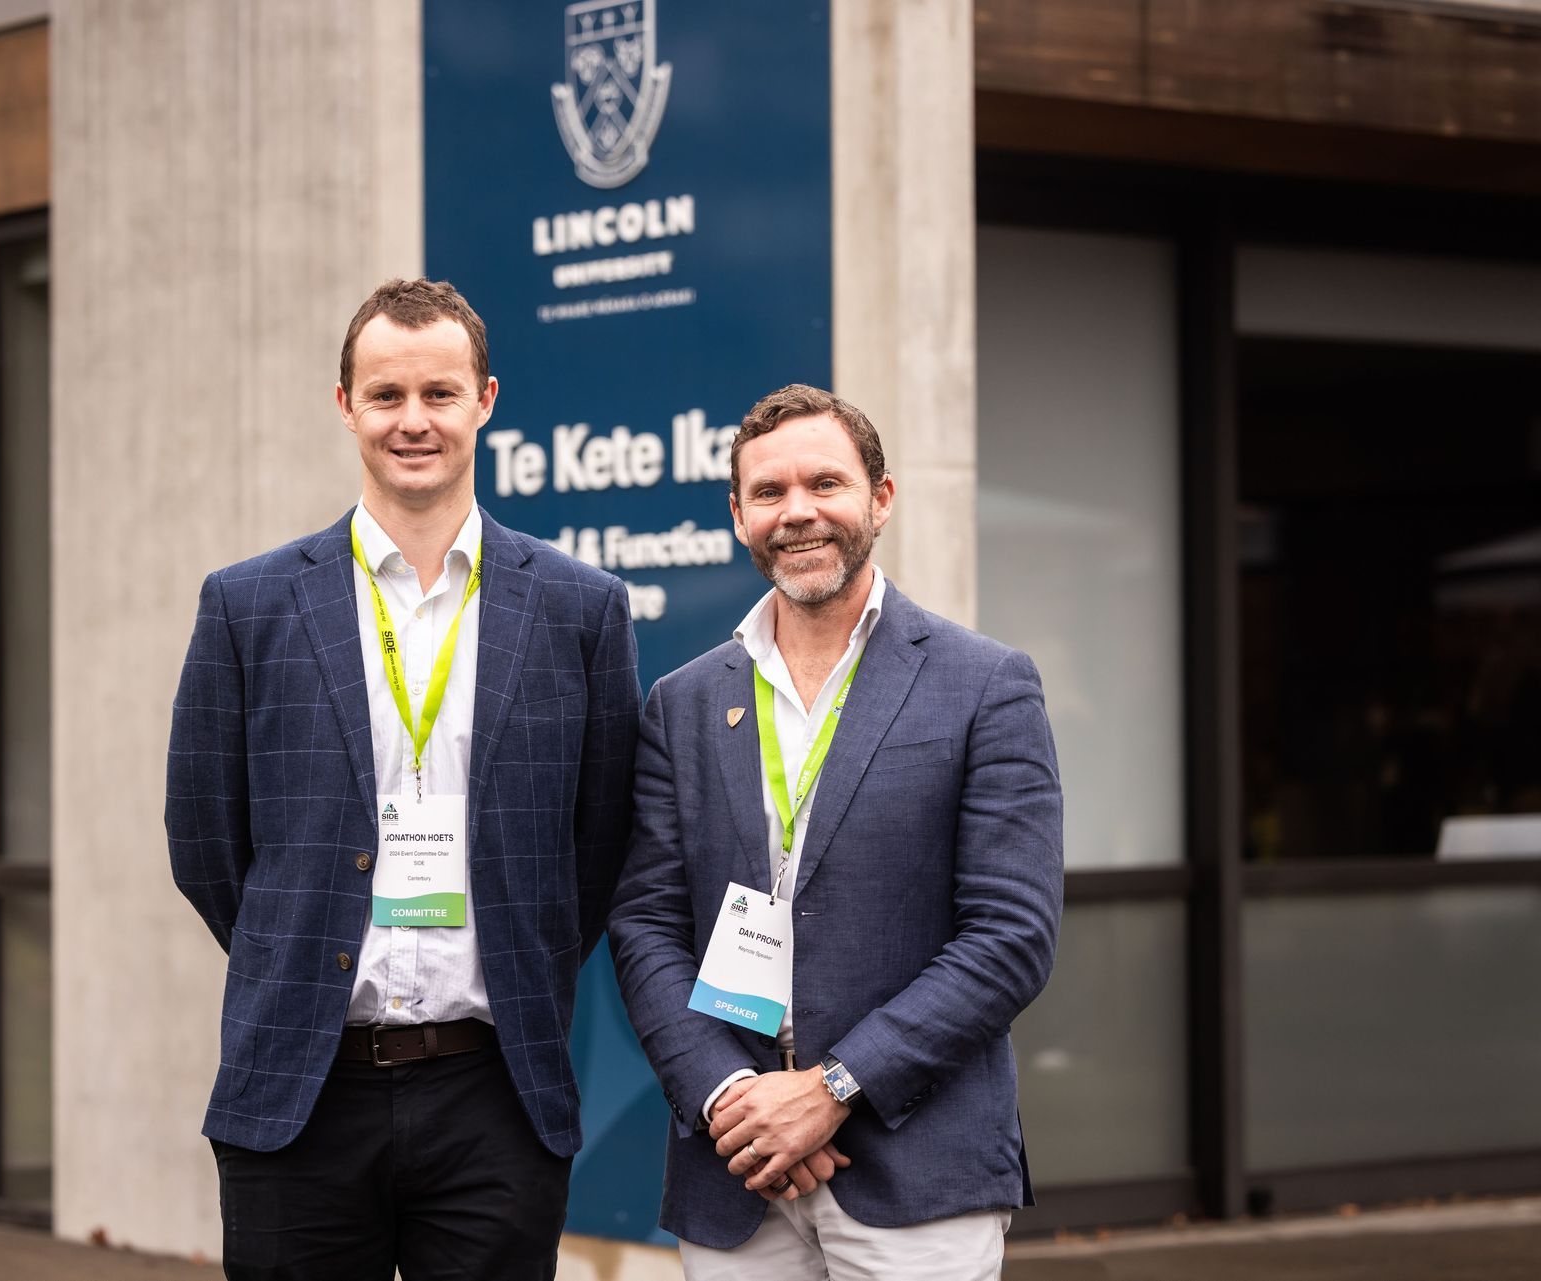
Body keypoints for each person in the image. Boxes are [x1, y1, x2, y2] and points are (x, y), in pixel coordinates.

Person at [166, 277, 640, 1281]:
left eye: (438, 393)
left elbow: (598, 849)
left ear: (486, 400)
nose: (412, 421)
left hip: (496, 1094)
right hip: (301, 1089)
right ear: (345, 405)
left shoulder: (579, 609)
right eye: (386, 395)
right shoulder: (248, 607)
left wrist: (517, 952)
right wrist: (300, 946)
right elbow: (206, 840)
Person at [608, 383, 1063, 1279]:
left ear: (879, 498)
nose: (798, 512)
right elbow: (645, 926)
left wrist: (832, 1089)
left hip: (915, 1167)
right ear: (738, 516)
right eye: (769, 493)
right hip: (734, 1168)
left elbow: (1012, 936)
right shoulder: (684, 702)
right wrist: (732, 1097)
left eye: (825, 482)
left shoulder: (985, 684)